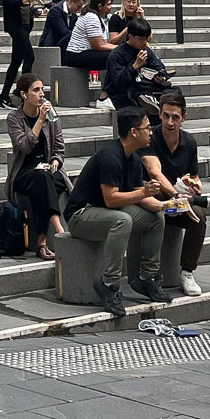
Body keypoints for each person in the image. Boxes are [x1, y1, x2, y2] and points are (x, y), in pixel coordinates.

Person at [62, 107, 172, 314]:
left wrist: (167, 205)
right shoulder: (111, 156)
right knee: (122, 220)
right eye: (147, 128)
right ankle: (109, 284)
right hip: (81, 215)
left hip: (106, 212)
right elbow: (111, 199)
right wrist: (144, 193)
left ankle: (147, 278)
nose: (151, 132)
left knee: (156, 218)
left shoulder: (132, 158)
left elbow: (137, 192)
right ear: (133, 132)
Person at [139, 90, 210, 299]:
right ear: (160, 115)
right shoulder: (150, 138)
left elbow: (194, 176)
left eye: (175, 117)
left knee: (198, 215)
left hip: (178, 200)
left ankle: (187, 271)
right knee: (171, 208)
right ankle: (149, 275)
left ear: (184, 118)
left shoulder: (189, 142)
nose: (170, 122)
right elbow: (154, 171)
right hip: (152, 197)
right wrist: (175, 194)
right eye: (165, 116)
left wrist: (195, 187)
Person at [7, 74, 69, 260]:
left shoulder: (51, 114)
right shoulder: (14, 118)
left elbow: (59, 146)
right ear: (24, 95)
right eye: (36, 90)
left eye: (42, 89)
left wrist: (55, 162)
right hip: (24, 171)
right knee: (41, 180)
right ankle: (59, 229)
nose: (42, 94)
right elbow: (24, 146)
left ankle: (41, 242)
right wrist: (40, 120)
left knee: (46, 181)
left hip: (48, 170)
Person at [103, 19, 173, 115]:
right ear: (130, 36)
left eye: (146, 38)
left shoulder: (146, 50)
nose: (144, 42)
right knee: (136, 98)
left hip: (147, 86)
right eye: (140, 39)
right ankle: (150, 101)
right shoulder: (117, 54)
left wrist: (161, 75)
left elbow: (159, 66)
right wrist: (135, 65)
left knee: (174, 92)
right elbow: (120, 82)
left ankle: (152, 101)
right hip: (126, 91)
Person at [62, 0, 116, 90]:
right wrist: (120, 48)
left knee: (118, 55)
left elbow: (103, 43)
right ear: (100, 6)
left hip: (83, 53)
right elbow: (98, 46)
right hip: (76, 55)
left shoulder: (95, 17)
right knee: (115, 57)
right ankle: (105, 95)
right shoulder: (91, 18)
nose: (110, 7)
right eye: (108, 4)